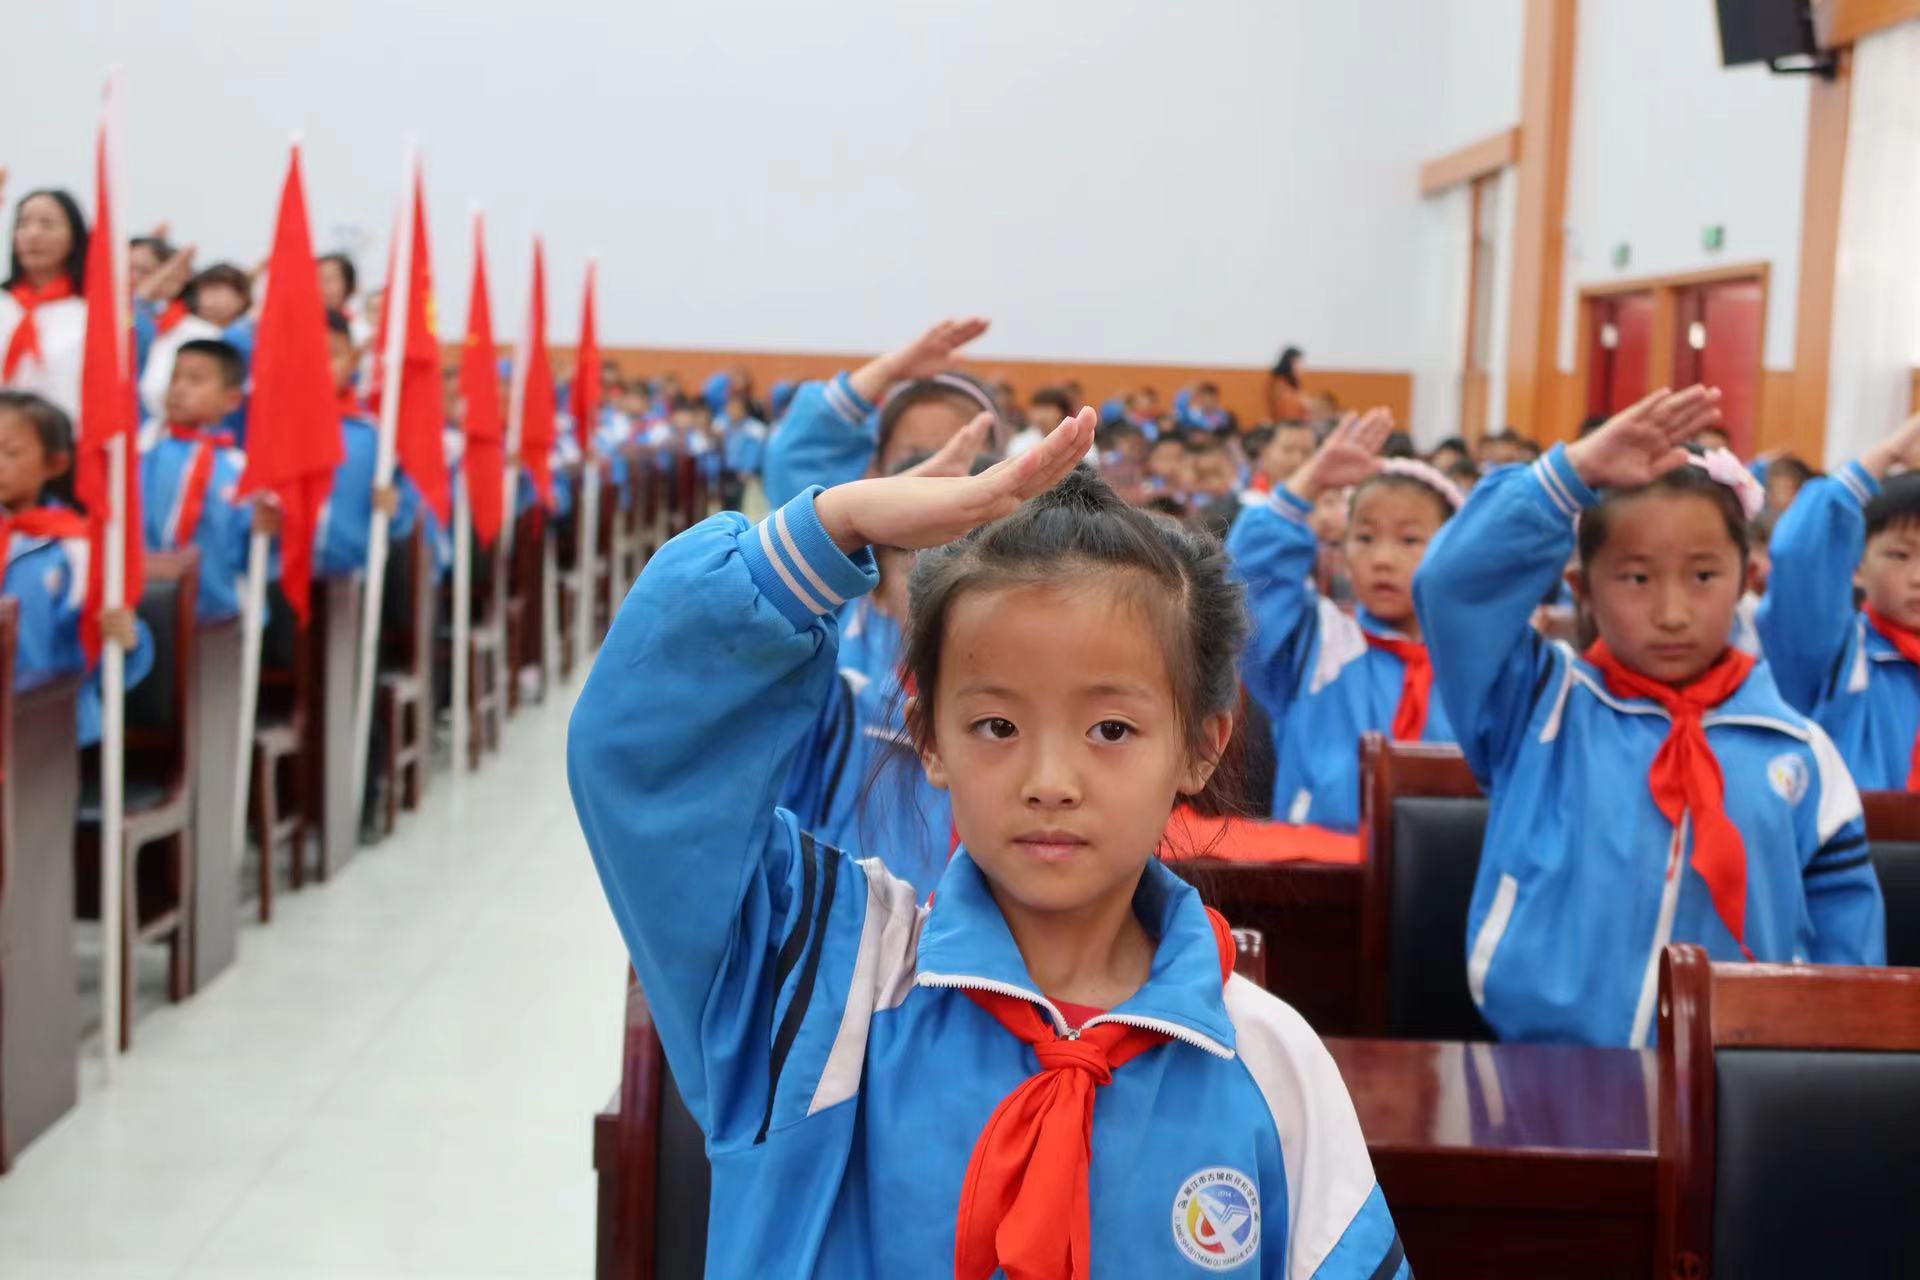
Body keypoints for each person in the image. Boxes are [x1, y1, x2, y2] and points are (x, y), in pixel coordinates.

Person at [569, 409, 1406, 1279]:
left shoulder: (1272, 1062)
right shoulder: (822, 983)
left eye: (1112, 728)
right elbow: (644, 757)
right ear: (928, 738)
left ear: (1201, 745)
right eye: (997, 724)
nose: (1051, 778)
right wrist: (834, 526)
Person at [1415, 387, 1884, 1047]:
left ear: (1748, 577)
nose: (1671, 612)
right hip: (1544, 1064)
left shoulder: (1799, 751)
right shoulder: (1536, 707)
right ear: (1582, 589)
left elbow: (1847, 946)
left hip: (1744, 1080)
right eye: (1636, 579)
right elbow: (1451, 585)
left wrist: (1820, 1069)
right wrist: (1567, 474)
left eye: (1702, 576)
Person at [1229, 410, 1462, 829]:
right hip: (1321, 875)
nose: (1383, 559)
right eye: (1365, 537)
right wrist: (1309, 482)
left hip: (1447, 879)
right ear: (1342, 549)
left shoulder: (1473, 664)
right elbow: (1247, 582)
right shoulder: (1316, 642)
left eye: (1410, 539)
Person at [1757, 413, 1920, 792]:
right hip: (1866, 846)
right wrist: (1888, 452)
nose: (1918, 577)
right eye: (1899, 555)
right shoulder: (1837, 652)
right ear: (1857, 566)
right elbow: (1800, 554)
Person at [0, 390, 152, 746]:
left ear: (55, 464)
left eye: (10, 451)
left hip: (51, 731)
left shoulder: (78, 550)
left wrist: (126, 640)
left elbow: (114, 661)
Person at [138, 339, 278, 620]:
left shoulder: (244, 472)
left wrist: (268, 530)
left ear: (231, 400)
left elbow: (260, 554)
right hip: (148, 606)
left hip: (222, 611)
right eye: (175, 377)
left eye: (195, 380)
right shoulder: (141, 456)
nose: (178, 388)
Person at [1, 189, 89, 417]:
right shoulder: (5, 305)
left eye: (47, 224)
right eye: (23, 224)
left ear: (74, 238)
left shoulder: (87, 314)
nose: (33, 234)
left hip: (63, 444)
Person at [1268, 345, 1308, 422]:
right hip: (1289, 428)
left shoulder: (1291, 384)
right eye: (1300, 363)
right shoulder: (1280, 384)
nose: (1302, 367)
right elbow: (1289, 414)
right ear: (1291, 363)